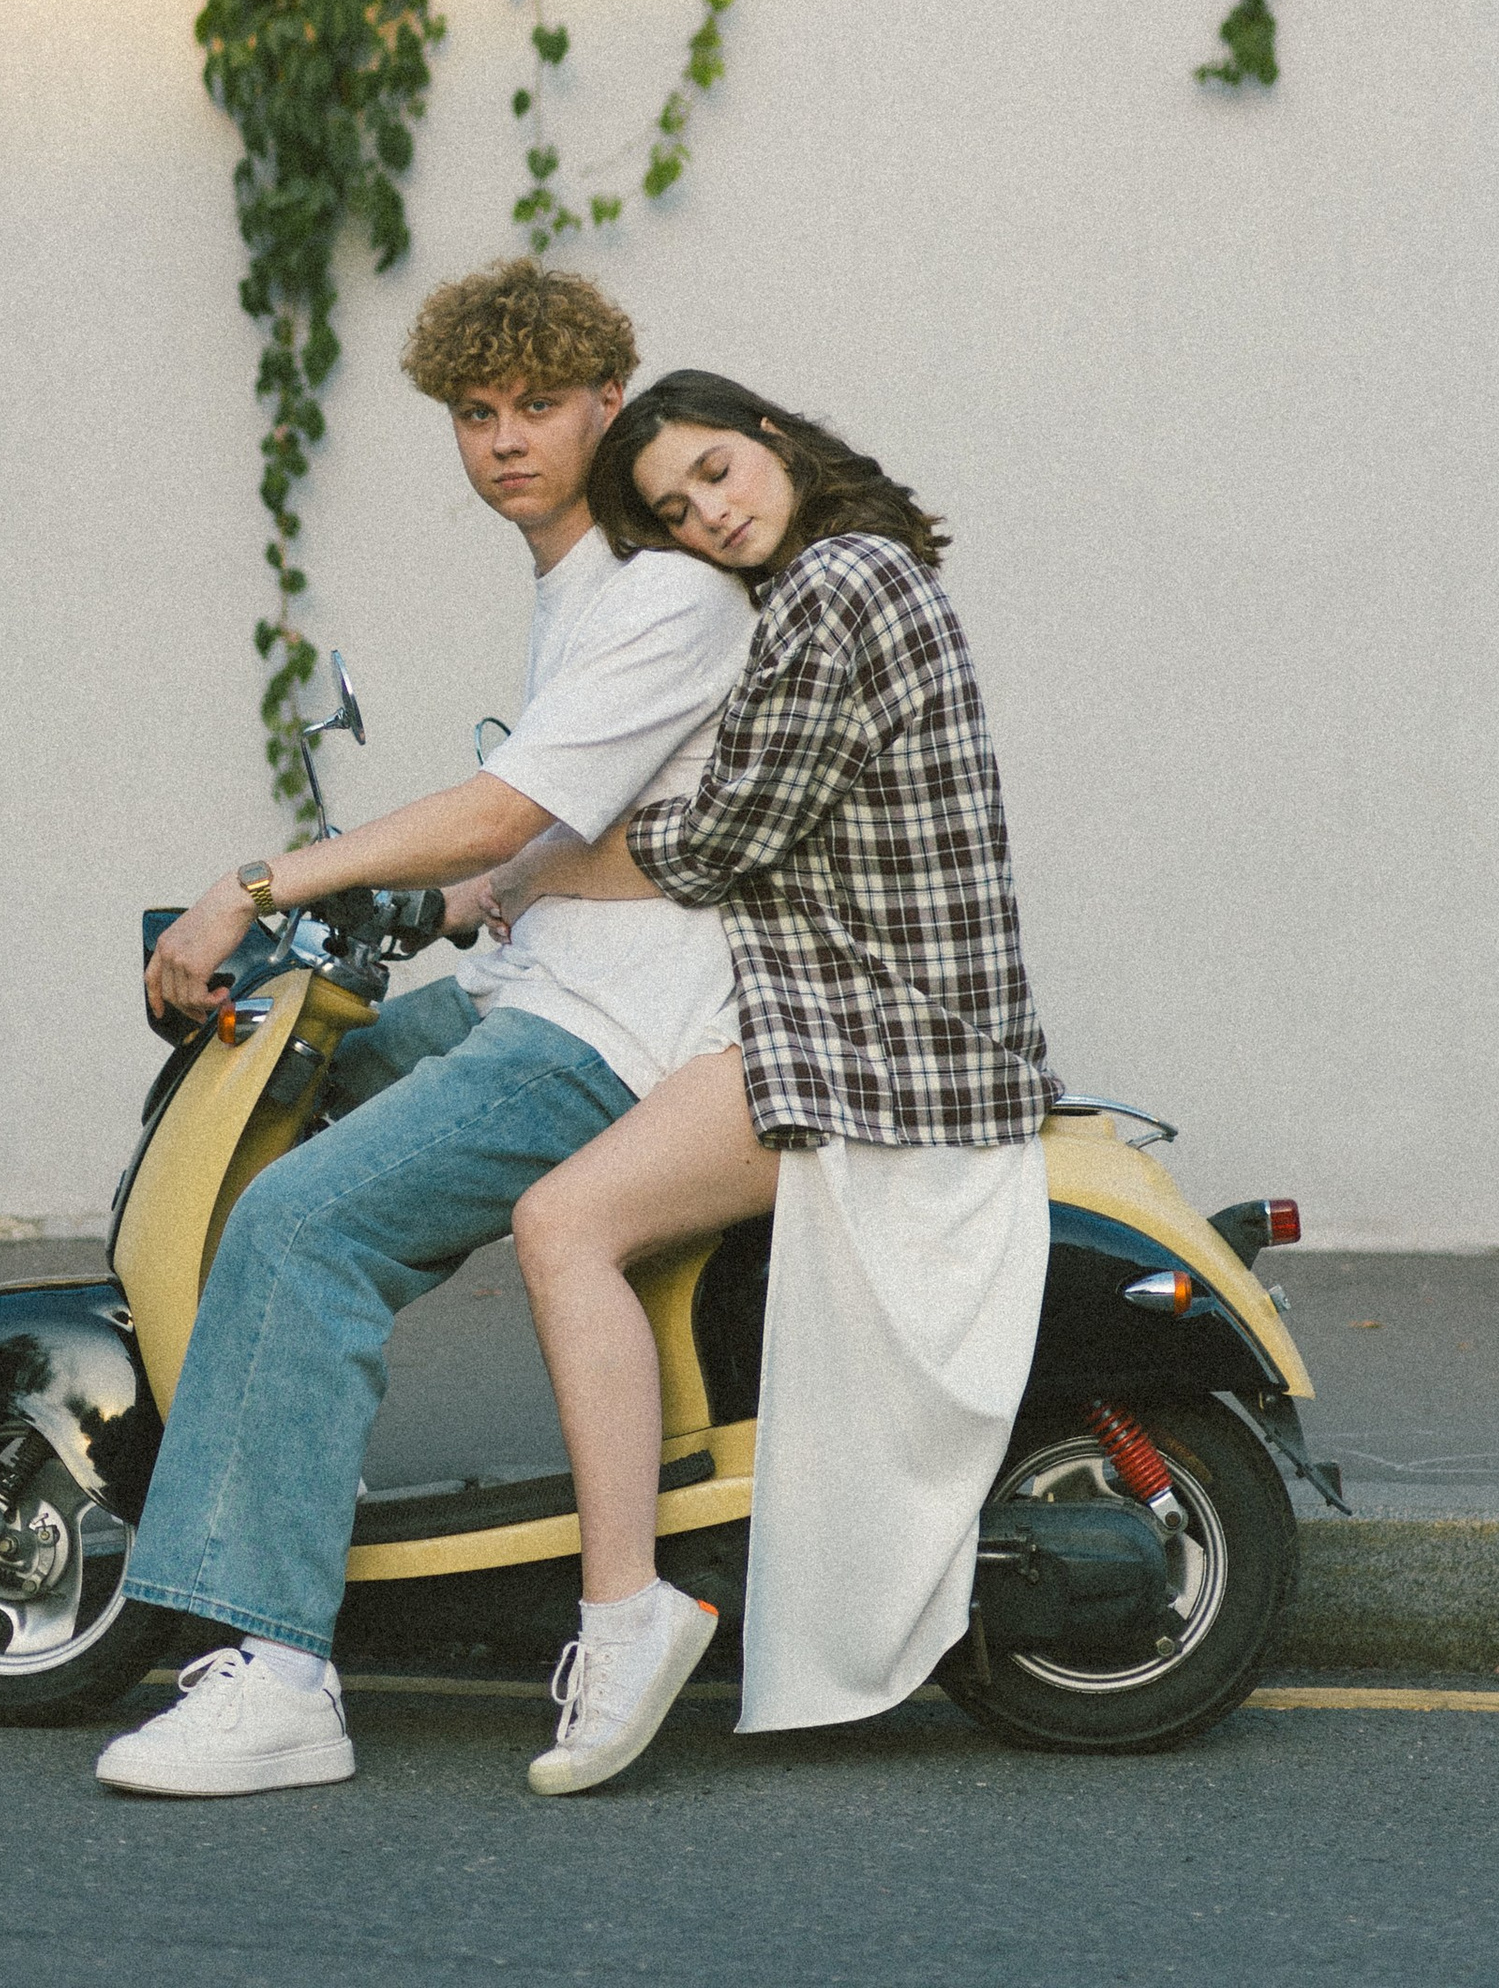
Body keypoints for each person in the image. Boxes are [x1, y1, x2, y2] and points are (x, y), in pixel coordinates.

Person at [94, 263, 754, 1801]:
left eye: (540, 406)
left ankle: (273, 1673)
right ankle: (266, 1479)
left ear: (612, 403)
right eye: (477, 412)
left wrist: (259, 877)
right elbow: (559, 833)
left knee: (300, 1226)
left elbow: (513, 804)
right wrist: (457, 904)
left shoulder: (666, 590)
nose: (507, 439)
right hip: (547, 987)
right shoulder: (582, 589)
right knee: (313, 1080)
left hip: (616, 1036)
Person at [488, 371, 1061, 1800]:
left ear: (780, 442)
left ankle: (627, 1618)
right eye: (678, 511)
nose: (713, 514)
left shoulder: (840, 583)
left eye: (720, 472)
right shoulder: (853, 576)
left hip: (878, 1033)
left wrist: (507, 872)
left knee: (563, 1226)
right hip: (852, 1008)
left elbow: (718, 835)